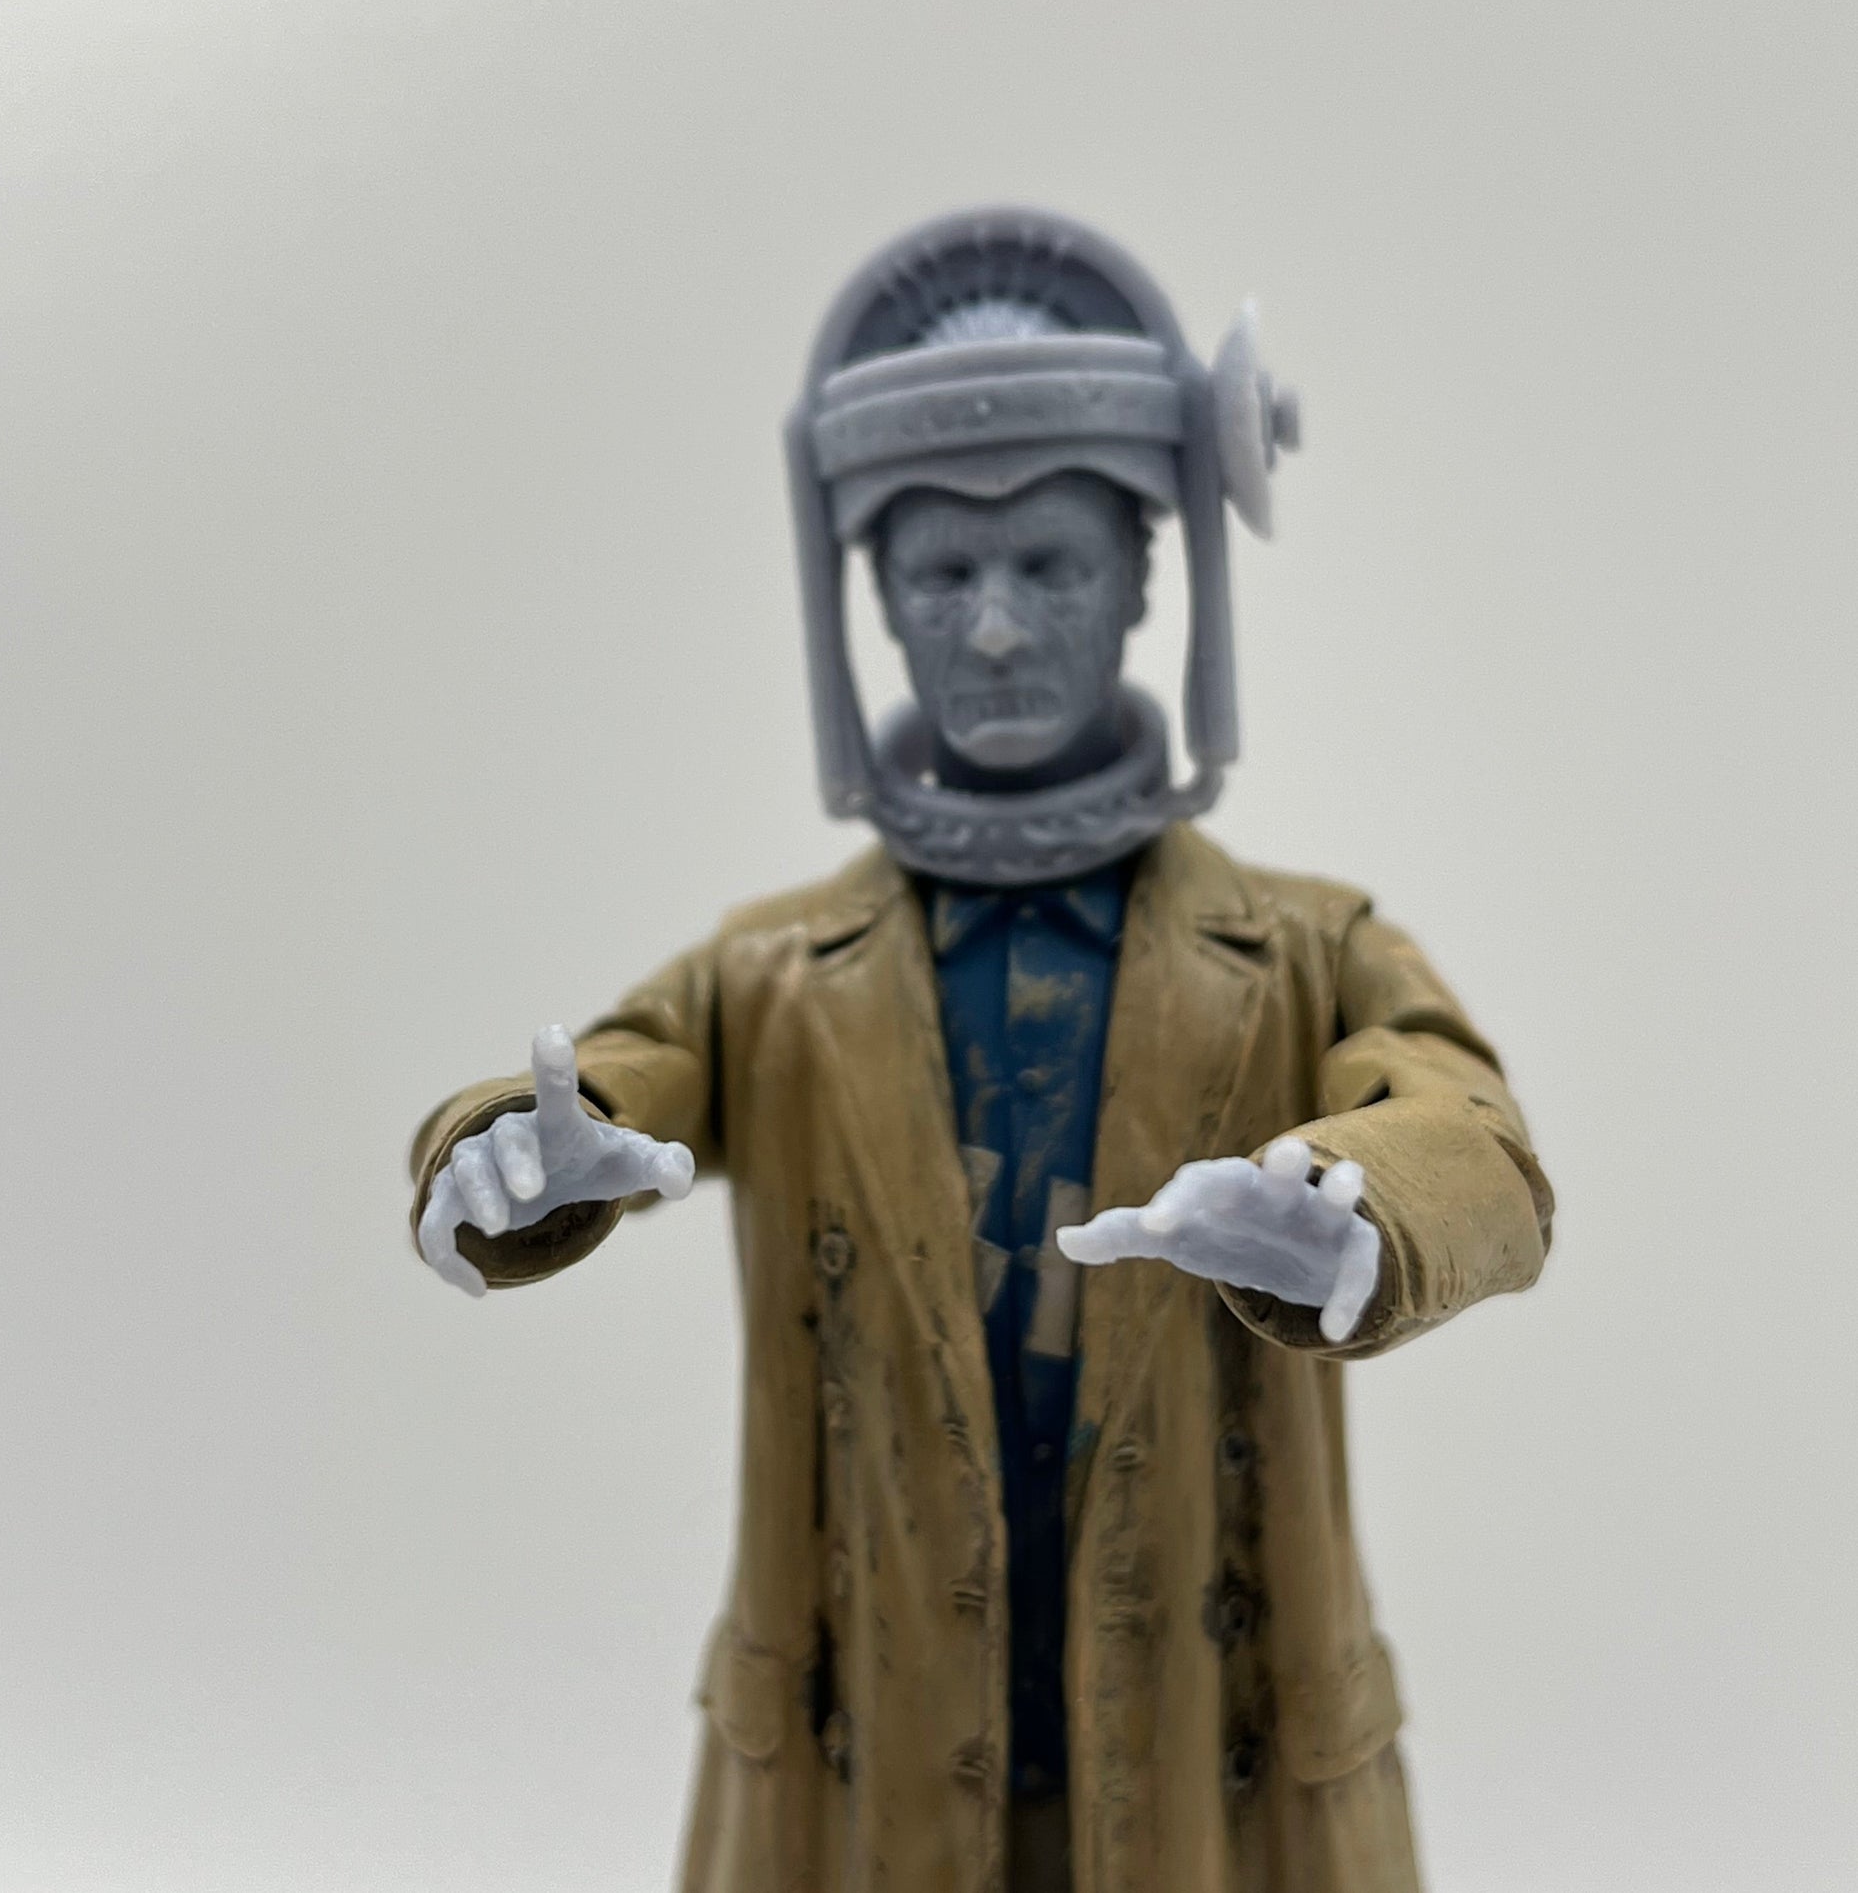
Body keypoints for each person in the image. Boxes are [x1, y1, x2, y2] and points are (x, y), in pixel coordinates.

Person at [408, 209, 1553, 1893]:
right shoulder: (771, 974)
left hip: (1214, 1742)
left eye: (1052, 567)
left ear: (1145, 577)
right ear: (875, 599)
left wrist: (1359, 1206)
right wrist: (519, 1151)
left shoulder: (1305, 944)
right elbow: (626, 1068)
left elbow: (1476, 1137)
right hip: (864, 1750)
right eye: (945, 575)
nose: (998, 630)